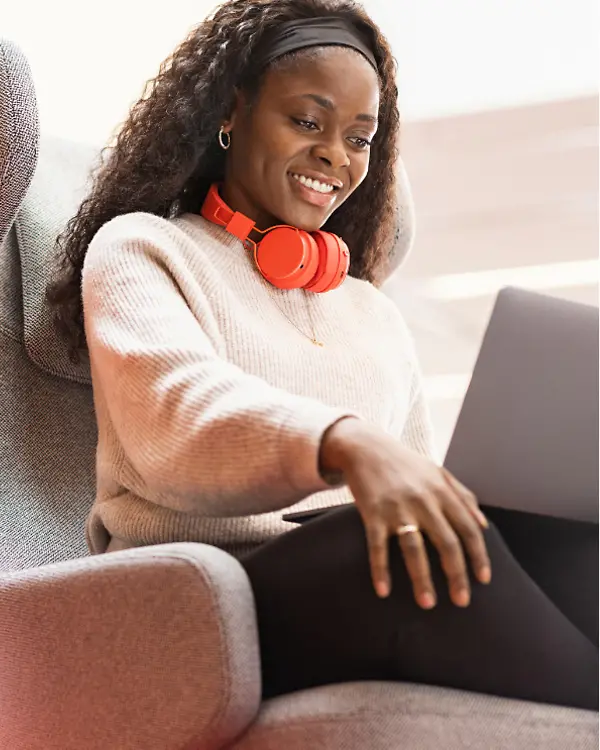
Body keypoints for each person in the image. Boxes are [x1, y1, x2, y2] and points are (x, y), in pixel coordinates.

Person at [46, 0, 598, 711]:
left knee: (577, 559)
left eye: (360, 139)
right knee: (405, 555)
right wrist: (344, 443)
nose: (337, 156)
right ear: (230, 112)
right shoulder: (145, 250)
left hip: (351, 574)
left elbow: (420, 484)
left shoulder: (373, 314)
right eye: (307, 121)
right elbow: (177, 414)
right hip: (199, 594)